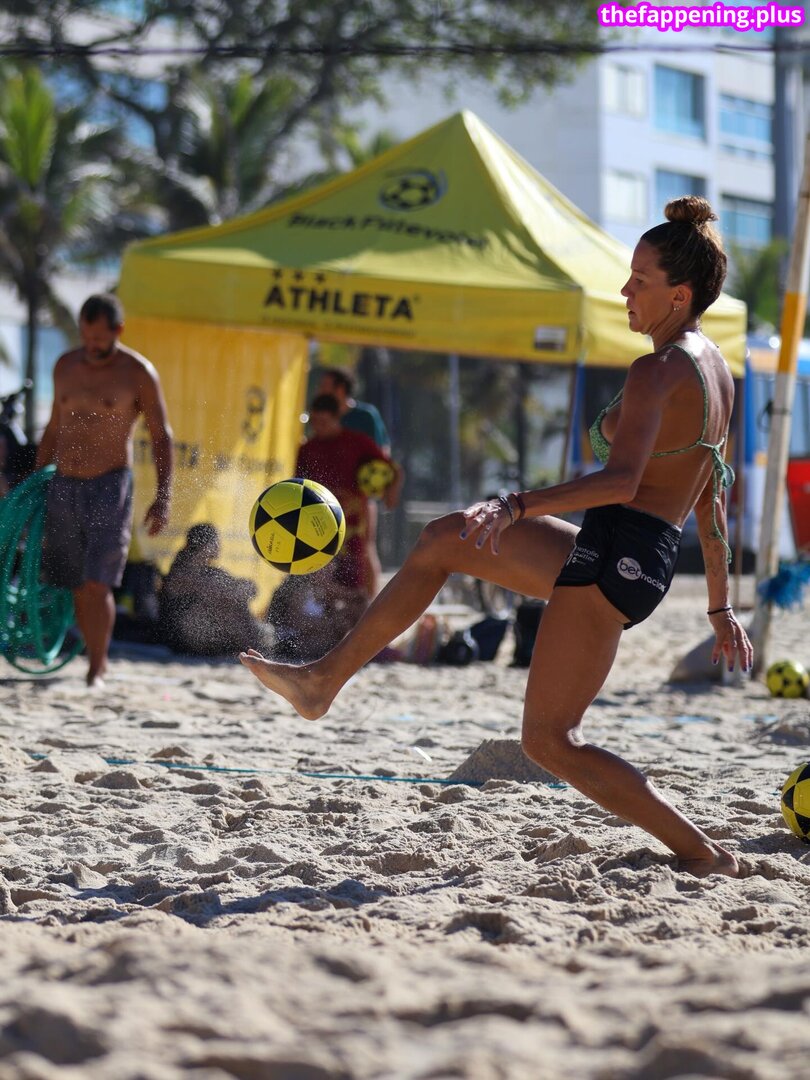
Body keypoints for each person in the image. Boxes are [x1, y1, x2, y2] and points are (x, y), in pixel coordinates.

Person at [241, 197, 753, 878]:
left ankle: (702, 852)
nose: (624, 291)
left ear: (679, 294)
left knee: (550, 741)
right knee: (442, 539)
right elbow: (712, 501)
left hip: (617, 560)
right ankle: (321, 682)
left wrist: (516, 504)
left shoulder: (656, 371)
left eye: (639, 280)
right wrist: (719, 606)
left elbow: (623, 480)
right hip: (628, 550)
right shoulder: (715, 368)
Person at [36, 293, 174, 687]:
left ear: (118, 330)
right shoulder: (65, 365)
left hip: (109, 485)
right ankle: (91, 657)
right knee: (77, 585)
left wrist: (163, 496)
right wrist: (35, 480)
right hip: (64, 483)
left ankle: (97, 666)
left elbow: (161, 436)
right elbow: (53, 429)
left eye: (100, 337)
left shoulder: (138, 372)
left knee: (99, 583)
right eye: (86, 336)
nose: (92, 345)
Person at [296, 393, 403, 598]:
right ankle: (326, 606)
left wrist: (391, 497)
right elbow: (297, 486)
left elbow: (394, 470)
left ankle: (367, 604)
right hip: (320, 518)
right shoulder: (307, 449)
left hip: (355, 516)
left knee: (362, 556)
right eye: (314, 422)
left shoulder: (357, 442)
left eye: (324, 422)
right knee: (322, 562)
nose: (318, 427)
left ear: (337, 419)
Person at [316, 366, 395, 597]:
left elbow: (382, 453)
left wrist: (380, 487)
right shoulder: (322, 412)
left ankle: (370, 602)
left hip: (360, 498)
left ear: (340, 389)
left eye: (325, 385)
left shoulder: (365, 416)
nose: (320, 390)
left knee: (365, 548)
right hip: (330, 496)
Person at [159, 523, 273, 656]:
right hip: (181, 635)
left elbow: (250, 590)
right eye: (216, 541)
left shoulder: (210, 571)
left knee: (232, 603)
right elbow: (216, 591)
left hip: (206, 631)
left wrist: (242, 589)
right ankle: (254, 648)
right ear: (205, 544)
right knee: (225, 603)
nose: (219, 546)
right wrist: (236, 591)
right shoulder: (182, 571)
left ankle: (254, 647)